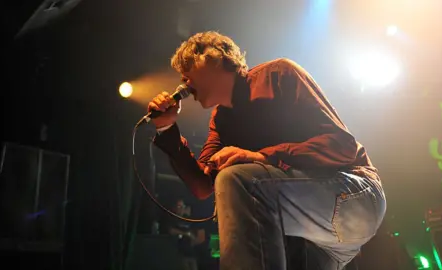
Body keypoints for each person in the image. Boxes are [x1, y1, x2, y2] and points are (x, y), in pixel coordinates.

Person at [148, 31, 386, 270]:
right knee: (232, 183)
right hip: (312, 238)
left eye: (188, 68)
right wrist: (167, 128)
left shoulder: (278, 75)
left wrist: (262, 157)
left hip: (354, 194)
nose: (183, 80)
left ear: (215, 58)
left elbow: (342, 145)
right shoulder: (220, 120)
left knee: (237, 179)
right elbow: (202, 186)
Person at [164, 199, 205, 270]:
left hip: (192, 252)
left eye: (182, 206)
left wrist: (194, 240)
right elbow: (171, 230)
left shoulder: (190, 219)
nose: (181, 208)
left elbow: (200, 236)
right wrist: (186, 234)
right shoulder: (174, 218)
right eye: (179, 206)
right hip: (179, 252)